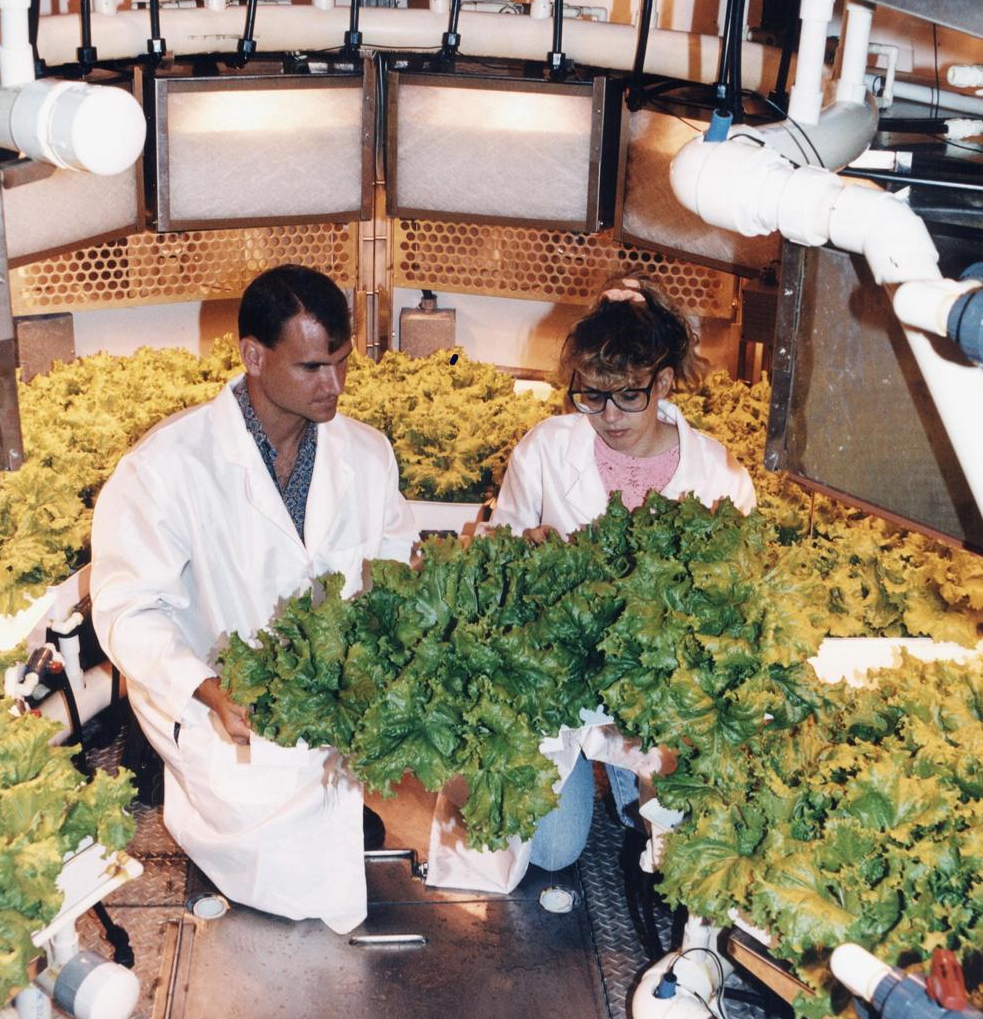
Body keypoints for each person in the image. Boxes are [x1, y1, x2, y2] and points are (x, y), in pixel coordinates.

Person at [91, 265, 417, 932]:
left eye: (342, 363)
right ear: (253, 355)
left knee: (337, 816)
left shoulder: (367, 454)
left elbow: (393, 575)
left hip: (336, 700)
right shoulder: (167, 465)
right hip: (218, 701)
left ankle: (324, 807)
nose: (334, 386)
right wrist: (207, 688)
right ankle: (193, 792)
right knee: (281, 871)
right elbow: (127, 607)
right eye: (311, 367)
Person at [428, 271, 755, 889]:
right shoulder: (547, 448)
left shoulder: (719, 475)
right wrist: (526, 557)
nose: (608, 416)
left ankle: (632, 781)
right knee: (552, 851)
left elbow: (733, 613)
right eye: (592, 396)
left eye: (628, 396)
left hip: (659, 701)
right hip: (562, 686)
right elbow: (496, 559)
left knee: (662, 825)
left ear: (661, 381)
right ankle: (583, 769)